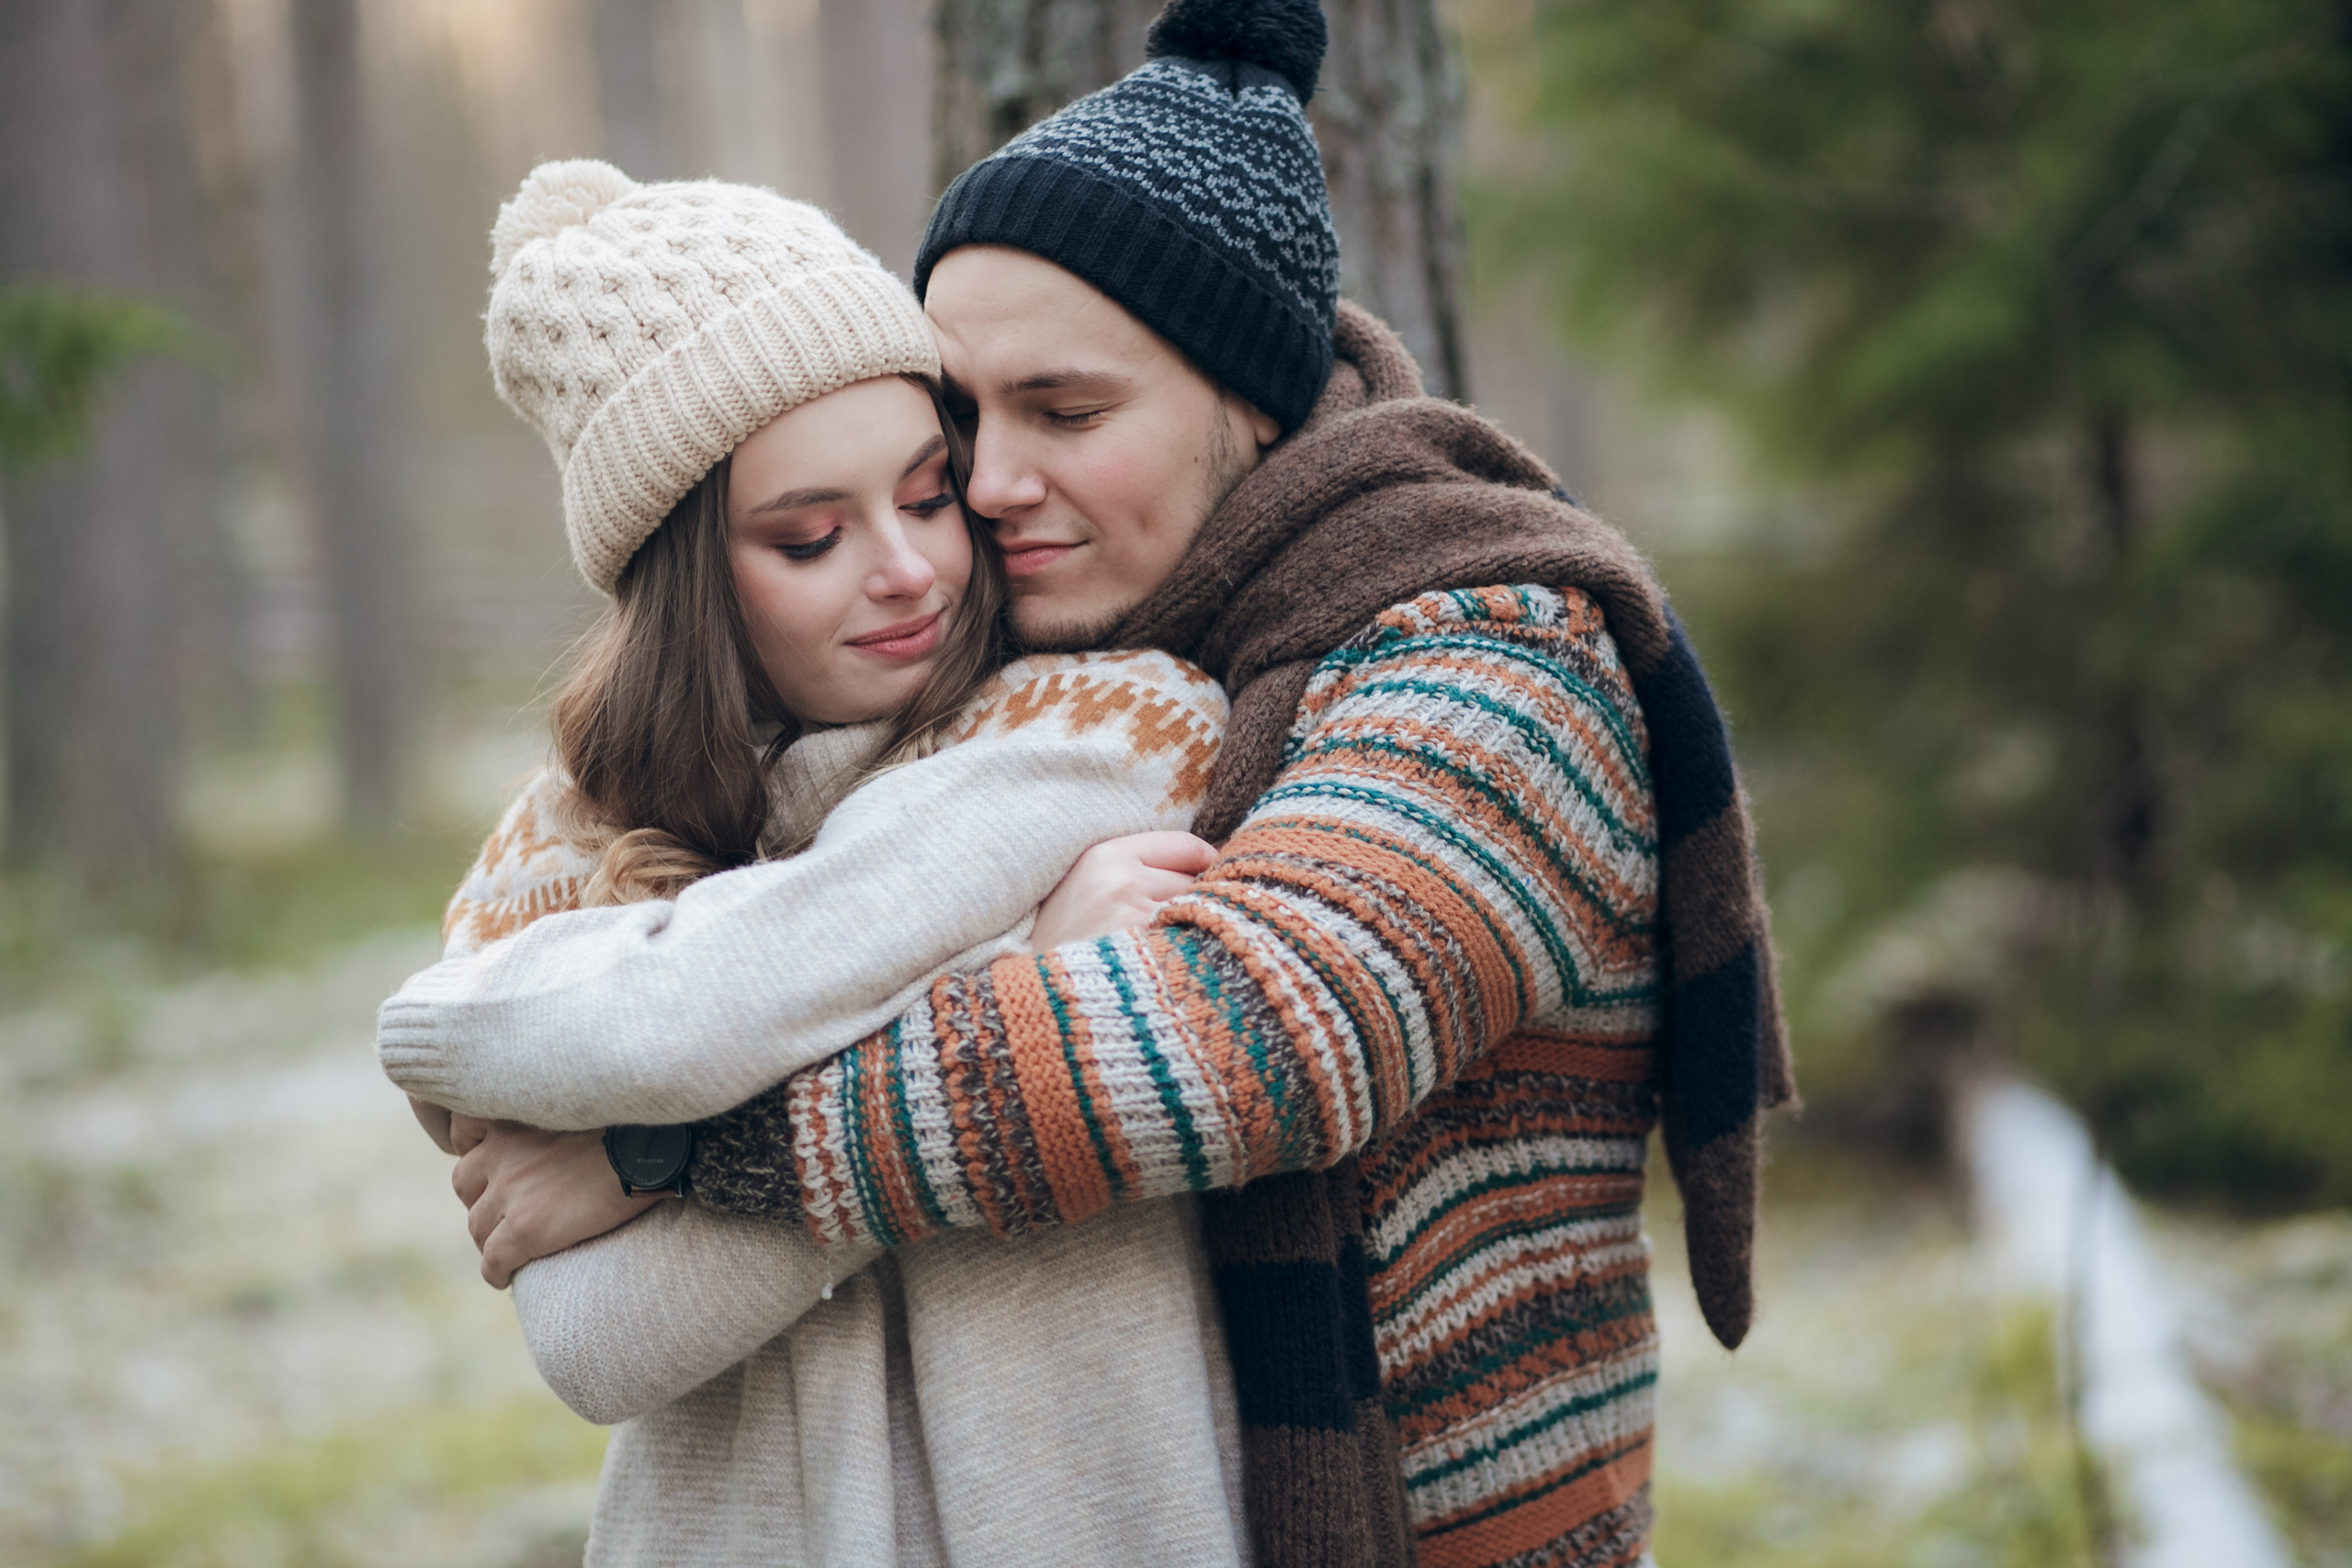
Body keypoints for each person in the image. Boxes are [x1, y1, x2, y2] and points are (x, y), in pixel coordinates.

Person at [385, 2, 1797, 1564]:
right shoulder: (1003, 680)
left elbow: (1249, 1043)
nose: (980, 496)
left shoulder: (1491, 657)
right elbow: (600, 1326)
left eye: (1065, 414)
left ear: (1248, 400)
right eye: (966, 422)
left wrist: (657, 1152)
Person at [403, 157, 1259, 1564]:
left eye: (928, 497)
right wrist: (1026, 969)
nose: (912, 568)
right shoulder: (560, 853)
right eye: (812, 535)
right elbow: (595, 1344)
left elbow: (689, 1019)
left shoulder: (1099, 721)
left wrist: (654, 1159)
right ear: (684, 576)